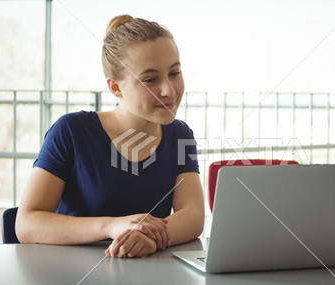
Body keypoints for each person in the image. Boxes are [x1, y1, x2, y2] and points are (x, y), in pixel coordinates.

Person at [15, 15, 205, 258]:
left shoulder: (180, 134)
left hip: (147, 278)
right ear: (116, 88)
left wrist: (147, 238)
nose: (169, 90)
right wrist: (112, 227)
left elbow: (193, 215)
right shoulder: (71, 130)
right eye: (150, 79)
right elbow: (27, 224)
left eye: (175, 73)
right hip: (69, 279)